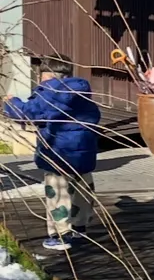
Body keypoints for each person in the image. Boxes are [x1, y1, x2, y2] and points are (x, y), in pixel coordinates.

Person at [3, 55, 100, 252]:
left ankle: (60, 235)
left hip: (58, 153)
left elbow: (29, 113)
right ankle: (80, 229)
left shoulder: (51, 92)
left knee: (58, 194)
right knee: (81, 190)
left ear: (46, 76)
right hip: (84, 153)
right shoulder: (81, 92)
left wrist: (11, 102)